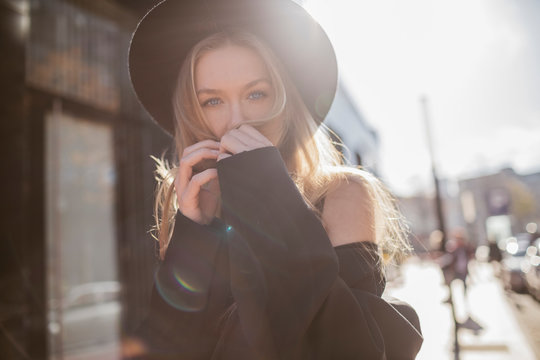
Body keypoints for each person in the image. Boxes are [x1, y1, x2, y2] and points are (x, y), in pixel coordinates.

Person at [126, 0, 423, 358]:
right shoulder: (197, 209)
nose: (238, 120)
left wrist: (270, 197)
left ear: (284, 101)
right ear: (194, 114)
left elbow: (350, 349)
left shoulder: (341, 194)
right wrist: (194, 233)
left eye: (256, 94)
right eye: (212, 101)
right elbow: (162, 349)